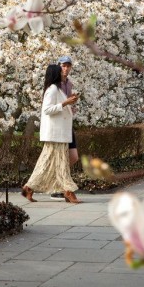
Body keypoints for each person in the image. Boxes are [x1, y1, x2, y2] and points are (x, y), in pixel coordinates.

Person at [21, 64, 81, 203]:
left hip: (59, 133)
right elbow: (47, 109)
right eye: (60, 71)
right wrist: (65, 103)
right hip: (56, 134)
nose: (63, 73)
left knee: (48, 162)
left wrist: (69, 102)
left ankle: (28, 188)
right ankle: (67, 191)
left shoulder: (57, 89)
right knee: (59, 162)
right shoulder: (52, 90)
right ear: (55, 74)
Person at [51, 56, 79, 201]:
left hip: (68, 124)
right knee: (60, 158)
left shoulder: (69, 84)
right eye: (63, 65)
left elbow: (67, 103)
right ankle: (60, 188)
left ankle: (58, 182)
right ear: (58, 66)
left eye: (68, 66)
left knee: (73, 157)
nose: (66, 68)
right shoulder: (54, 85)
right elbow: (50, 106)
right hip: (58, 126)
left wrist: (72, 104)